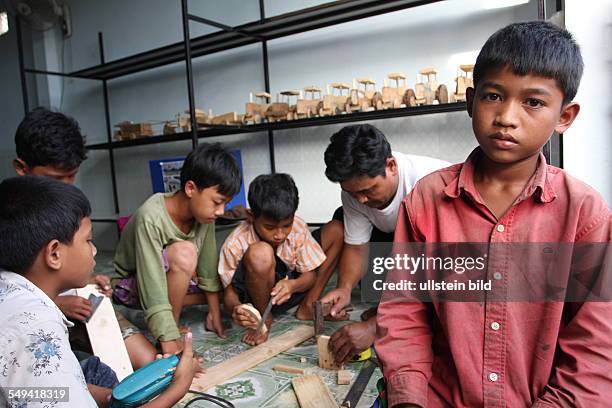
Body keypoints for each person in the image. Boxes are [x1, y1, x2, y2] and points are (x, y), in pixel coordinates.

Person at [375, 21, 612, 407]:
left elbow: (595, 348)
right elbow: (405, 311)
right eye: (493, 96)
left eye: (532, 102)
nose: (506, 117)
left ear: (564, 116)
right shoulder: (427, 199)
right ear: (470, 101)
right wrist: (407, 395)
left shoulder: (584, 213)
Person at [0, 176, 203, 408]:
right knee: (103, 375)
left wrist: (110, 399)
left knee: (103, 381)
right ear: (54, 254)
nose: (95, 251)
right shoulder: (37, 330)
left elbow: (37, 392)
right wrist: (176, 389)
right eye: (88, 240)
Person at [13, 107, 157, 369]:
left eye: (72, 175)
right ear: (22, 168)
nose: (67, 186)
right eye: (56, 178)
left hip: (76, 305)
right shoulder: (9, 218)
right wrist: (55, 304)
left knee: (145, 359)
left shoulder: (70, 207)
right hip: (29, 319)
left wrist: (88, 280)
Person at [320, 124, 449, 364]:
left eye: (369, 190)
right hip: (400, 241)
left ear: (391, 166)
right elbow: (357, 247)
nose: (361, 199)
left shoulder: (433, 184)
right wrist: (345, 288)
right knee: (378, 285)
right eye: (353, 193)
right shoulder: (355, 193)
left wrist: (375, 327)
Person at [113, 143, 241, 355]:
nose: (220, 211)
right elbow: (151, 281)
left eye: (225, 204)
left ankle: (172, 318)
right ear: (190, 188)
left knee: (231, 288)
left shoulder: (204, 215)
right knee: (185, 253)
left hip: (173, 279)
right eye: (217, 202)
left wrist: (214, 314)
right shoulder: (151, 216)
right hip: (132, 286)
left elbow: (208, 268)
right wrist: (168, 337)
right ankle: (169, 326)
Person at [219, 173, 327, 345]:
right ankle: (264, 317)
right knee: (260, 253)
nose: (279, 234)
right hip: (253, 302)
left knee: (335, 231)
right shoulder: (235, 243)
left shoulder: (298, 226)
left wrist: (293, 286)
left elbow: (310, 276)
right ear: (251, 216)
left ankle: (305, 306)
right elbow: (229, 294)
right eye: (269, 227)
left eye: (286, 225)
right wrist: (236, 309)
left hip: (286, 295)